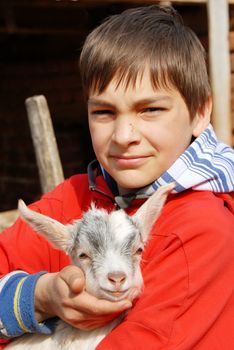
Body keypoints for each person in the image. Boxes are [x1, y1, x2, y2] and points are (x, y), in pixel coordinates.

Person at [0, 4, 233, 349]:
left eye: (150, 109)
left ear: (200, 113)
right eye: (104, 112)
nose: (124, 135)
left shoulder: (202, 230)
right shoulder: (72, 200)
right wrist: (41, 296)